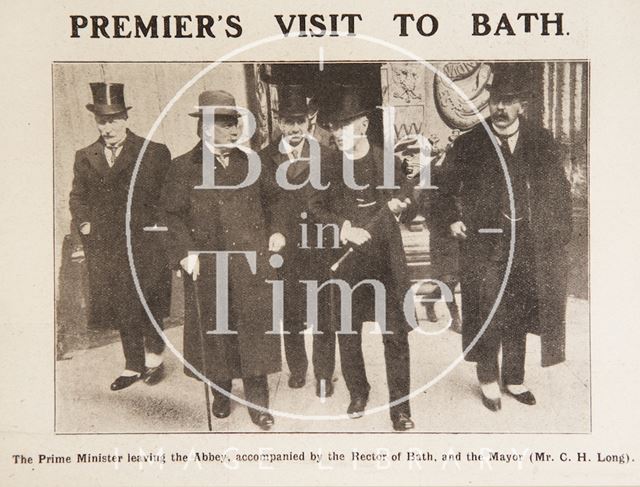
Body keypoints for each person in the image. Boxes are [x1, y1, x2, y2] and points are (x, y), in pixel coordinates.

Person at [439, 63, 572, 411]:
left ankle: (514, 377)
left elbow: (560, 189)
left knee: (520, 309)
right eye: (496, 100)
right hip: (485, 244)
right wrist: (451, 218)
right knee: (487, 310)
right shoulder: (470, 143)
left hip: (529, 242)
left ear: (521, 106)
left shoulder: (541, 140)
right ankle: (487, 378)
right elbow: (442, 190)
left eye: (508, 101)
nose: (500, 108)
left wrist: (558, 232)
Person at [160, 90, 282, 430]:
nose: (235, 131)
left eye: (236, 123)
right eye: (227, 124)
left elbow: (277, 204)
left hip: (250, 265)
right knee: (216, 336)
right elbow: (172, 217)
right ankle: (221, 393)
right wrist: (185, 253)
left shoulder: (252, 163)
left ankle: (259, 404)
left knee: (254, 335)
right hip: (208, 267)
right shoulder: (183, 167)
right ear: (205, 127)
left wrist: (277, 232)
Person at [310, 83, 417, 431]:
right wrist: (343, 228)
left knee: (394, 336)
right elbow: (313, 207)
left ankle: (400, 409)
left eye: (344, 125)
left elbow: (408, 194)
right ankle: (359, 392)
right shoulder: (326, 164)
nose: (337, 133)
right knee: (348, 331)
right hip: (348, 261)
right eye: (333, 127)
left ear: (363, 126)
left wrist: (404, 205)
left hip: (386, 264)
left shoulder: (386, 159)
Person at [69, 82, 172, 391]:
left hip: (145, 241)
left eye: (114, 119)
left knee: (149, 298)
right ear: (96, 121)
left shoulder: (152, 152)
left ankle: (154, 357)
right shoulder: (86, 155)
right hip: (108, 244)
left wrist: (163, 234)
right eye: (102, 120)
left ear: (126, 119)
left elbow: (167, 198)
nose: (108, 126)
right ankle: (132, 364)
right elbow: (78, 197)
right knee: (123, 302)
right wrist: (85, 224)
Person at [258, 84, 337, 396]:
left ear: (310, 121)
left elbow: (335, 201)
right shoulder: (264, 159)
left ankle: (323, 373)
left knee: (323, 313)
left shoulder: (328, 156)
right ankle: (298, 369)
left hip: (319, 245)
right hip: (286, 247)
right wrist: (272, 233)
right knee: (290, 313)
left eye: (300, 121)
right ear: (279, 122)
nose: (294, 128)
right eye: (288, 121)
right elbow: (261, 205)